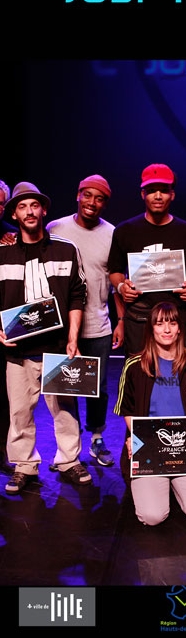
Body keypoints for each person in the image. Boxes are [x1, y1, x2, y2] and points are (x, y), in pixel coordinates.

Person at [0, 182, 91, 494]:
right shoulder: (2, 253)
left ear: (44, 210)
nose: (29, 211)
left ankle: (69, 461)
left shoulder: (66, 249)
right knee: (19, 413)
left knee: (65, 411)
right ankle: (24, 465)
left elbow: (78, 295)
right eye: (22, 206)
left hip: (57, 348)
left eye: (34, 205)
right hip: (18, 350)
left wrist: (73, 338)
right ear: (14, 214)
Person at [46, 174, 125, 467]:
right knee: (64, 388)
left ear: (105, 203)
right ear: (78, 195)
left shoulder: (112, 233)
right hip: (61, 327)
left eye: (100, 198)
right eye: (88, 195)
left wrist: (121, 320)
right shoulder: (55, 228)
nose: (92, 202)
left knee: (98, 388)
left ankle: (97, 437)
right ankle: (69, 447)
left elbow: (116, 281)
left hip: (98, 324)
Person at [113, 300, 186, 526]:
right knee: (152, 516)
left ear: (179, 328)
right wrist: (136, 437)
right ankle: (160, 487)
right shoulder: (134, 366)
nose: (166, 330)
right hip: (149, 450)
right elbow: (127, 409)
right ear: (151, 329)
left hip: (184, 450)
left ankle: (176, 485)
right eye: (159, 324)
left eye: (172, 323)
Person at [107, 164, 186, 358]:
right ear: (143, 194)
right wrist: (121, 287)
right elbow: (115, 271)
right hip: (139, 318)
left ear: (172, 195)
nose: (158, 196)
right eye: (152, 191)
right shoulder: (125, 230)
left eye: (164, 190)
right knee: (140, 374)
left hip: (177, 317)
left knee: (178, 373)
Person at [0, 179, 17, 474]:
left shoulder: (10, 235)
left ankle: (1, 453)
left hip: (3, 329)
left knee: (3, 398)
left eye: (0, 202)